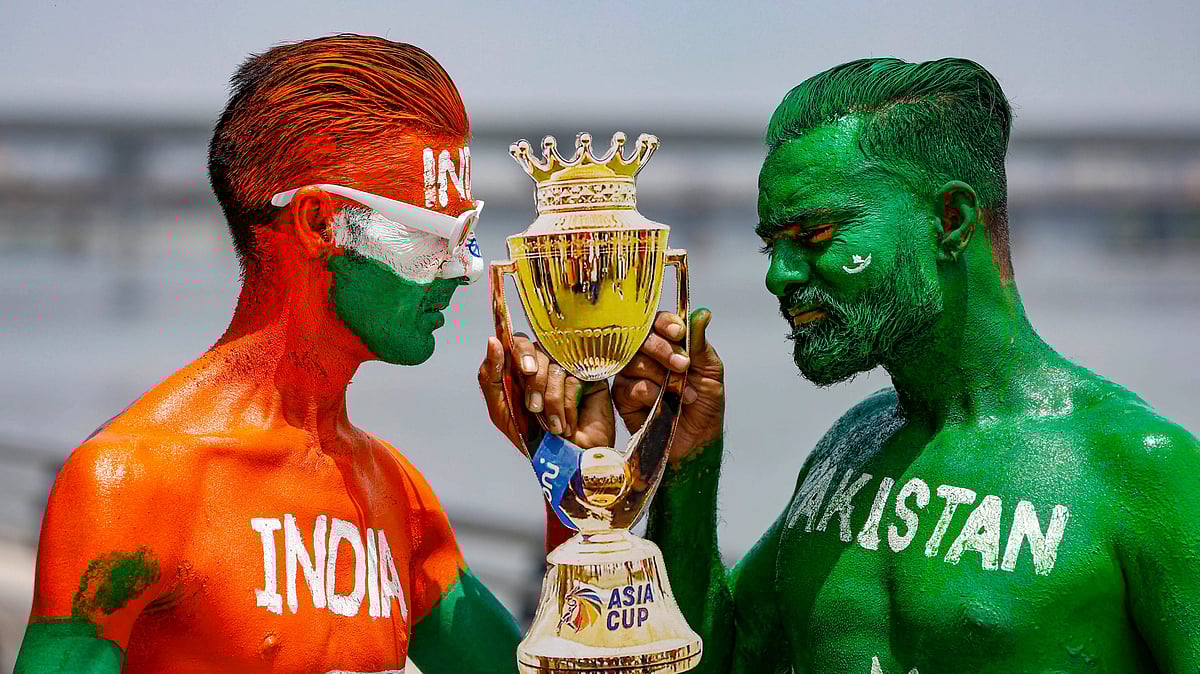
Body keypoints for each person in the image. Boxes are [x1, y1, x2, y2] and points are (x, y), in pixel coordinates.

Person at [484, 58, 1200, 673]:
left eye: (815, 233)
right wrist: (688, 461)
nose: (780, 276)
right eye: (773, 245)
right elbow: (721, 661)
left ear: (950, 221)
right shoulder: (851, 448)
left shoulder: (1146, 475)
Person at [16, 35, 528, 674]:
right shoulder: (137, 482)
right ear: (320, 224)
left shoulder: (395, 491)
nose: (464, 270)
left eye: (469, 235)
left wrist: (581, 470)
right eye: (437, 238)